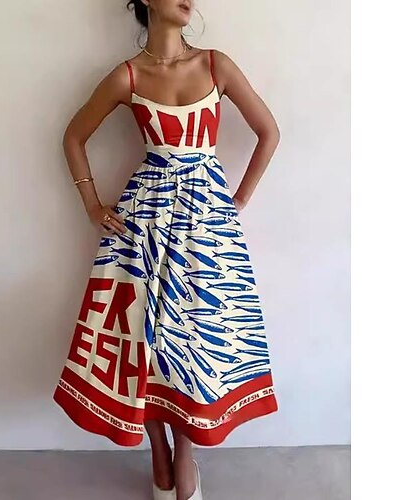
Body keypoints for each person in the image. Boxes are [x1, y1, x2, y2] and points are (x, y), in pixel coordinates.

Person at [54, 1, 281, 499]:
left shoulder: (216, 64)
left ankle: (185, 452)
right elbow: (73, 137)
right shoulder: (128, 76)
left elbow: (269, 132)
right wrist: (92, 204)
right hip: (143, 222)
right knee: (142, 333)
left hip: (206, 227)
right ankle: (157, 447)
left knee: (196, 335)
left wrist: (238, 199)